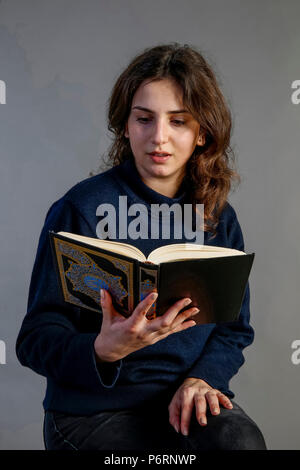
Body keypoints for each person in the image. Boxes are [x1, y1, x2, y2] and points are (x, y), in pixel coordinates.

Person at [16, 43, 267, 451]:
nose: (159, 137)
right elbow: (34, 339)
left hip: (183, 399)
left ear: (202, 132)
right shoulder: (80, 209)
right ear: (126, 126)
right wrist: (103, 349)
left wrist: (202, 379)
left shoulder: (218, 218)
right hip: (91, 412)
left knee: (243, 443)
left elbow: (234, 328)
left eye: (179, 121)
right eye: (144, 119)